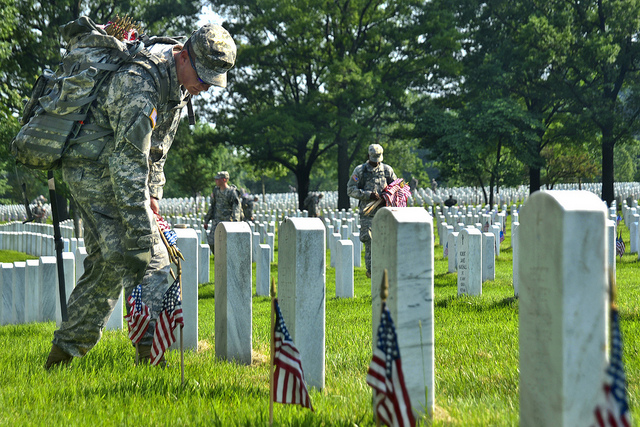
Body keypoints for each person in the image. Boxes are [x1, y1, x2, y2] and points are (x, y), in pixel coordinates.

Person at [45, 18, 237, 369]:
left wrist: (154, 198)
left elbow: (156, 154)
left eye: (212, 82)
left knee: (113, 260)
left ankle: (69, 354)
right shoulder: (140, 84)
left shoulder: (178, 87)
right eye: (203, 78)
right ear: (184, 57)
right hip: (91, 165)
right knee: (133, 251)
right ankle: (138, 352)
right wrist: (140, 226)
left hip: (119, 166)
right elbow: (127, 162)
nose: (206, 88)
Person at [347, 144, 397, 279]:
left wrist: (387, 196)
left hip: (384, 211)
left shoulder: (387, 170)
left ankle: (384, 267)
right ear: (369, 156)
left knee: (384, 239)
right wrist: (367, 195)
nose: (376, 161)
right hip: (367, 212)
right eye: (374, 158)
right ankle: (371, 270)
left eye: (378, 158)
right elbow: (350, 189)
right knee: (368, 240)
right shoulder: (360, 171)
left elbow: (397, 186)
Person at [203, 171, 243, 254]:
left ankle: (227, 258)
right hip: (217, 221)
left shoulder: (232, 192)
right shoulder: (216, 191)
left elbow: (236, 208)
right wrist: (206, 220)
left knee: (228, 243)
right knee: (211, 242)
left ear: (224, 179)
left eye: (218, 179)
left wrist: (236, 222)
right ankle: (219, 258)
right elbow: (212, 206)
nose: (216, 180)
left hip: (228, 222)